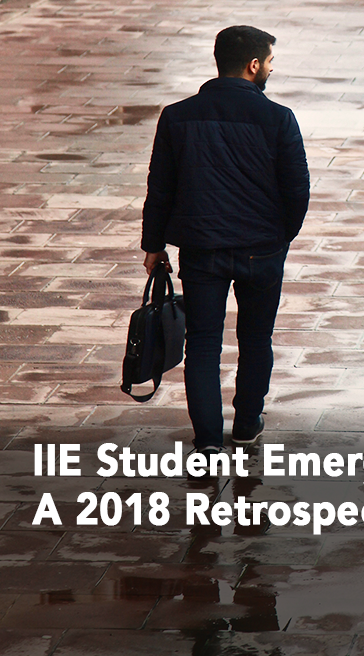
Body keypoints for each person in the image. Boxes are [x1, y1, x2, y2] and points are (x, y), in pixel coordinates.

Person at [140, 25, 310, 456]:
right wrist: (280, 236)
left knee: (202, 344)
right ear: (254, 65)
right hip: (262, 248)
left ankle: (209, 442)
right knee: (256, 339)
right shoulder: (278, 118)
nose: (271, 69)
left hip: (201, 249)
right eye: (270, 62)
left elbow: (160, 188)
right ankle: (247, 424)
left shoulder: (177, 116)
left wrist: (154, 245)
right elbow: (297, 190)